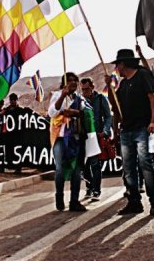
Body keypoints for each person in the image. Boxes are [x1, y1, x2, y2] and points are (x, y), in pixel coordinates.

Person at [106, 49, 154, 216]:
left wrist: (153, 121)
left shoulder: (143, 75)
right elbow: (115, 107)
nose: (117, 69)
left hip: (142, 128)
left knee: (145, 164)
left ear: (123, 64)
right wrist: (110, 87)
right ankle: (134, 202)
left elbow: (153, 98)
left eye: (117, 66)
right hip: (126, 131)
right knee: (128, 168)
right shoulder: (122, 84)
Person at [48, 72, 88, 212]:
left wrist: (75, 113)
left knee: (76, 171)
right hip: (60, 138)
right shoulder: (57, 95)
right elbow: (52, 113)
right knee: (59, 169)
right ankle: (59, 197)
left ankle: (74, 201)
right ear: (64, 83)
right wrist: (63, 96)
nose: (72, 83)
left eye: (74, 81)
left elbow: (84, 113)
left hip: (75, 138)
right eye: (69, 80)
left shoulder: (80, 99)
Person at [80, 77, 112, 201]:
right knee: (84, 165)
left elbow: (108, 117)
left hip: (96, 136)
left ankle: (96, 190)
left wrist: (105, 131)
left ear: (92, 87)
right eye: (82, 90)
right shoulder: (80, 101)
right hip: (83, 136)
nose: (85, 92)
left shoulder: (100, 99)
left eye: (87, 89)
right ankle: (89, 187)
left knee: (95, 164)